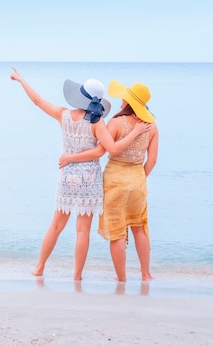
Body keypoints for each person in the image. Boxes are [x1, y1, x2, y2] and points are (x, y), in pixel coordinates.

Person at [10, 67, 150, 280]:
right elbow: (104, 151)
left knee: (56, 225)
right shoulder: (97, 123)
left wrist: (22, 80)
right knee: (82, 231)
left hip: (67, 176)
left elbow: (37, 101)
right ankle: (77, 275)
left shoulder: (63, 115)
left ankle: (39, 267)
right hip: (89, 179)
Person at [61, 80, 159, 282]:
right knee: (139, 228)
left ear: (126, 101)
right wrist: (140, 177)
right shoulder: (151, 127)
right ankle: (146, 274)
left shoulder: (115, 123)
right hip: (137, 180)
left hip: (114, 180)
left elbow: (107, 149)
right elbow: (153, 160)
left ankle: (121, 278)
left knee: (116, 232)